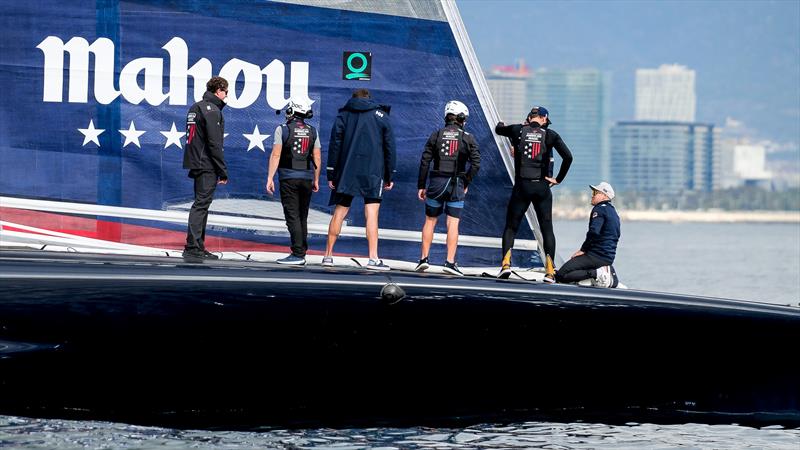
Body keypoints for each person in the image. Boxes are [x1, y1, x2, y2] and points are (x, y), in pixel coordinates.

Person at [495, 106, 573, 278]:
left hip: (522, 187)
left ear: (530, 118)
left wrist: (501, 124)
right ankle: (550, 272)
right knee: (547, 229)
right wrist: (558, 179)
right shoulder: (550, 135)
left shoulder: (517, 130)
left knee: (511, 227)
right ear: (544, 119)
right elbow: (568, 157)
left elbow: (498, 129)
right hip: (542, 188)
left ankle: (506, 264)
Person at [323, 89, 396, 270]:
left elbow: (334, 145)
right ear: (369, 99)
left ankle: (327, 255)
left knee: (339, 213)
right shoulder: (381, 115)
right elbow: (390, 148)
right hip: (373, 173)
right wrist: (389, 175)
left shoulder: (343, 115)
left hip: (347, 172)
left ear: (352, 99)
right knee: (371, 214)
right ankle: (373, 258)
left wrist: (331, 173)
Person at [415, 100, 480, 276]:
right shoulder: (468, 138)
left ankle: (423, 259)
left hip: (436, 182)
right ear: (461, 118)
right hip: (456, 184)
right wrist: (466, 182)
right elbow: (476, 164)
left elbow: (425, 162)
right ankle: (450, 263)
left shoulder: (436, 135)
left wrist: (422, 185)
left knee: (430, 221)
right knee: (453, 224)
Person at [266, 98, 321, 265]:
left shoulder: (282, 129)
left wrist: (270, 177)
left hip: (288, 178)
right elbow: (317, 157)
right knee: (302, 216)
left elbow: (276, 154)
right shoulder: (313, 130)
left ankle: (297, 254)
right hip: (306, 178)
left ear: (292, 111)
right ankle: (301, 251)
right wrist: (316, 179)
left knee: (292, 216)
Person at [182, 76, 229, 260]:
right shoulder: (212, 110)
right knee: (201, 205)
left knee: (201, 204)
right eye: (226, 91)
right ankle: (193, 247)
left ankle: (197, 246)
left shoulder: (196, 107)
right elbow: (214, 143)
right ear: (219, 90)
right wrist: (222, 170)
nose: (227, 95)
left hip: (196, 161)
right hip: (206, 163)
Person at [555, 182, 620, 287]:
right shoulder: (613, 212)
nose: (592, 195)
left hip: (596, 256)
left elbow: (594, 232)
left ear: (604, 196)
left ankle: (597, 273)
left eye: (595, 193)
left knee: (561, 275)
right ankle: (598, 274)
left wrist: (583, 250)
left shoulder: (599, 209)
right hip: (607, 257)